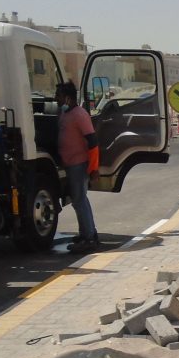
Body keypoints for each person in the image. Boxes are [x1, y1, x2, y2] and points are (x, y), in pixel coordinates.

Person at [56, 81, 100, 253]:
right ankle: (87, 234)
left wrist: (94, 168)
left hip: (79, 164)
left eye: (58, 96)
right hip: (70, 164)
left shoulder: (79, 115)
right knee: (78, 200)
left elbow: (92, 142)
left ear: (67, 98)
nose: (56, 99)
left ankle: (89, 239)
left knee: (79, 200)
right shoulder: (66, 113)